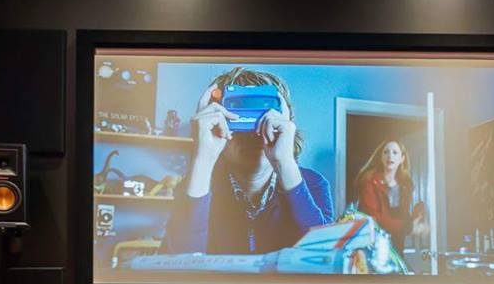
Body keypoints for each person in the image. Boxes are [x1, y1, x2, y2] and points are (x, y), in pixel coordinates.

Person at [163, 67, 333, 255]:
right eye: (237, 121)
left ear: (285, 124)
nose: (252, 135)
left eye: (261, 119)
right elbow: (180, 261)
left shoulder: (313, 184)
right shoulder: (198, 186)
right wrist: (203, 159)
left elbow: (324, 256)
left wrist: (285, 163)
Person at [355, 139, 426, 252]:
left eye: (395, 152)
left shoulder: (405, 184)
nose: (390, 156)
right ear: (381, 157)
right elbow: (375, 220)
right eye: (386, 152)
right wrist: (410, 226)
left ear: (402, 158)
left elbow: (402, 217)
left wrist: (415, 218)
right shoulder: (369, 181)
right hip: (372, 246)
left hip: (397, 246)